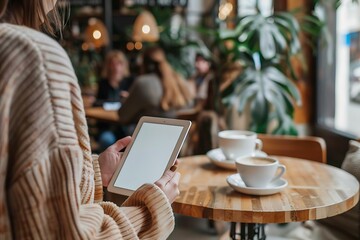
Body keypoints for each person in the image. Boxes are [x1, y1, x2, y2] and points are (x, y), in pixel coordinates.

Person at [0, 0, 180, 239]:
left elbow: (21, 173)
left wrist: (94, 171)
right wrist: (150, 210)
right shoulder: (34, 56)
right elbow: (63, 234)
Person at [117, 46, 193, 125]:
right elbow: (190, 106)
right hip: (178, 135)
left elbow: (123, 116)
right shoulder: (180, 80)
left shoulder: (143, 83)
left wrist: (127, 100)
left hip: (147, 135)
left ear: (145, 64)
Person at [95, 50, 134, 150]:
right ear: (108, 66)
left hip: (125, 126)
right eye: (113, 64)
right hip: (108, 126)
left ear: (124, 65)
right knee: (106, 140)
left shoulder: (130, 82)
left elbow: (136, 103)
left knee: (132, 138)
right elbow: (97, 103)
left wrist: (128, 98)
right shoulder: (103, 83)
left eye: (119, 63)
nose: (116, 67)